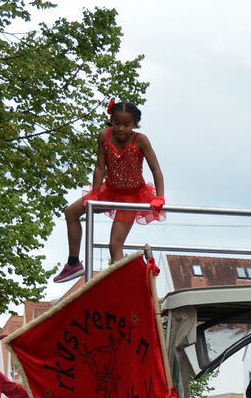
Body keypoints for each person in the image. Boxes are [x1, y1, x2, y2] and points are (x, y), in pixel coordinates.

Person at [52, 100, 166, 280]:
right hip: (109, 191)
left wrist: (160, 196)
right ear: (111, 120)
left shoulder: (140, 140)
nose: (121, 129)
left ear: (135, 124)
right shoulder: (103, 136)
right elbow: (99, 167)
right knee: (70, 212)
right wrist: (95, 193)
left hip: (131, 196)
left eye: (126, 125)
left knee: (115, 245)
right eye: (117, 123)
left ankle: (117, 283)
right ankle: (73, 263)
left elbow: (156, 169)